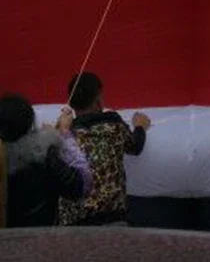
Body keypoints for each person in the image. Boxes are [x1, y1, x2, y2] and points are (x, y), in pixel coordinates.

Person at [0, 94, 90, 229]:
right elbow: (81, 186)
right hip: (39, 244)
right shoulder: (44, 158)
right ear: (29, 128)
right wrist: (63, 134)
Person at [58, 71, 150, 227]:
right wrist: (140, 127)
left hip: (73, 224)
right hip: (111, 218)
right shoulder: (114, 126)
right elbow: (135, 146)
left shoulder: (62, 134)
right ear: (98, 101)